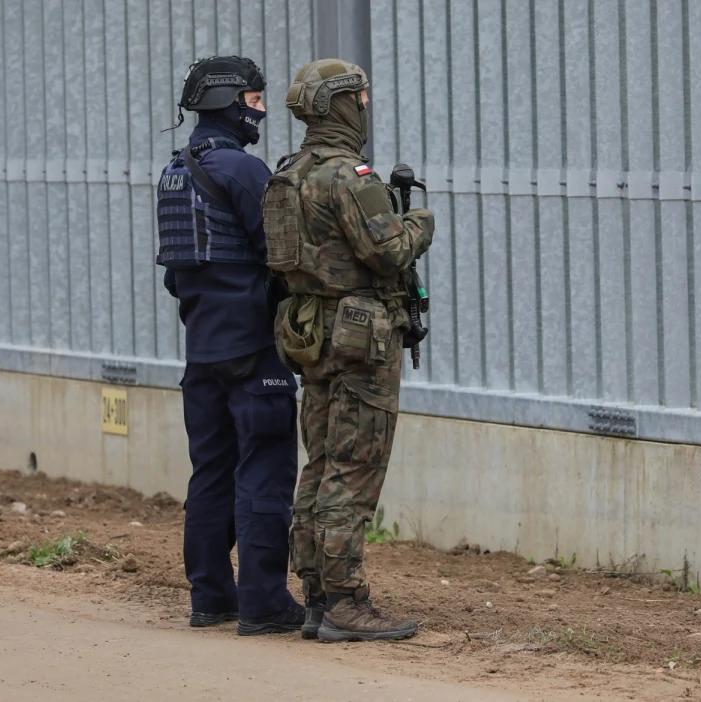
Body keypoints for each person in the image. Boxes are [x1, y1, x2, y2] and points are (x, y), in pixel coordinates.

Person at [263, 58, 435, 642]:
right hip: (361, 338)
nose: (364, 107)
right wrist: (420, 222)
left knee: (319, 464)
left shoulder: (288, 174)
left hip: (310, 334)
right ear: (341, 104)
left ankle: (317, 597)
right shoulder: (347, 175)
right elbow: (388, 253)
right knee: (354, 468)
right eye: (359, 98)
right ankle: (345, 601)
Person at [155, 55, 304, 636]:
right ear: (227, 101)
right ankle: (264, 603)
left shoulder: (175, 171)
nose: (260, 112)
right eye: (255, 101)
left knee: (210, 475)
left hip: (202, 352)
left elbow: (177, 276)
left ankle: (211, 598)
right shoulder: (242, 169)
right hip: (253, 352)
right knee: (263, 472)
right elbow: (284, 255)